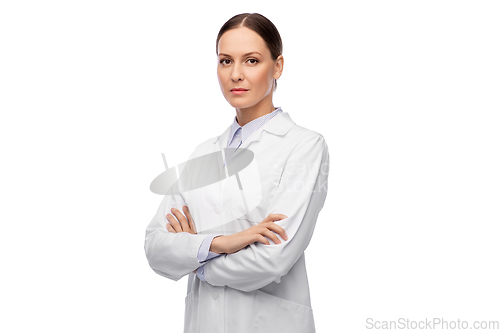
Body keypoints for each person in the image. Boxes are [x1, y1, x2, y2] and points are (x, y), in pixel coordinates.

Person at [144, 12, 329, 333]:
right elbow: (156, 247)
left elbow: (273, 259)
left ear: (278, 67)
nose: (236, 74)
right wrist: (222, 243)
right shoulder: (203, 154)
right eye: (226, 61)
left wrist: (195, 256)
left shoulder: (304, 146)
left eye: (252, 60)